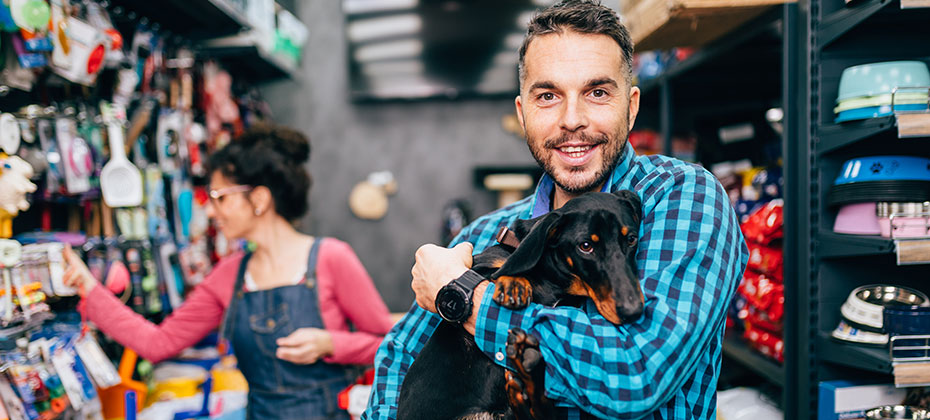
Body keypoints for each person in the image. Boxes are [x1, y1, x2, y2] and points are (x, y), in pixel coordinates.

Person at [363, 1, 749, 419]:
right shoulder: (485, 234)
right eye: (548, 96)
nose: (572, 119)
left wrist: (463, 298)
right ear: (523, 113)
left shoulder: (682, 197)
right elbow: (399, 355)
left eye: (597, 92)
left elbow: (635, 375)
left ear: (632, 105)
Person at [63, 125, 395, 420]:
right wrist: (89, 288)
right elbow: (158, 343)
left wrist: (330, 343)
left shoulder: (331, 258)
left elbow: (391, 344)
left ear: (260, 199)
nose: (210, 210)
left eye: (220, 197)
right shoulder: (230, 275)